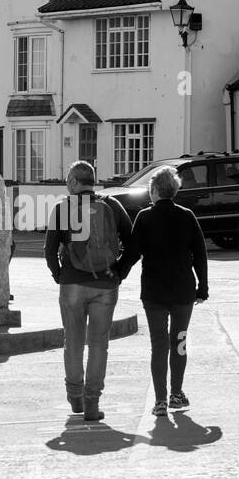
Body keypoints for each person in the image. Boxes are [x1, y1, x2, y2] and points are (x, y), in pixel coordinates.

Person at [44, 161, 134, 422]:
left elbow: (50, 251)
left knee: (72, 342)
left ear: (73, 182)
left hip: (72, 284)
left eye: (67, 181)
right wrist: (119, 272)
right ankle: (93, 403)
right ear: (92, 181)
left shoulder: (63, 208)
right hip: (105, 285)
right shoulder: (112, 206)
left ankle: (76, 398)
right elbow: (133, 244)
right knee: (98, 345)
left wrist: (60, 276)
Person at [117, 166, 209, 417]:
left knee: (158, 346)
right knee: (179, 342)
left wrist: (117, 275)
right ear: (175, 190)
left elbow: (133, 253)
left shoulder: (145, 217)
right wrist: (203, 287)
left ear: (155, 190)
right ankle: (177, 394)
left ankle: (160, 401)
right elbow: (200, 254)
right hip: (183, 291)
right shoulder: (187, 216)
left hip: (154, 292)